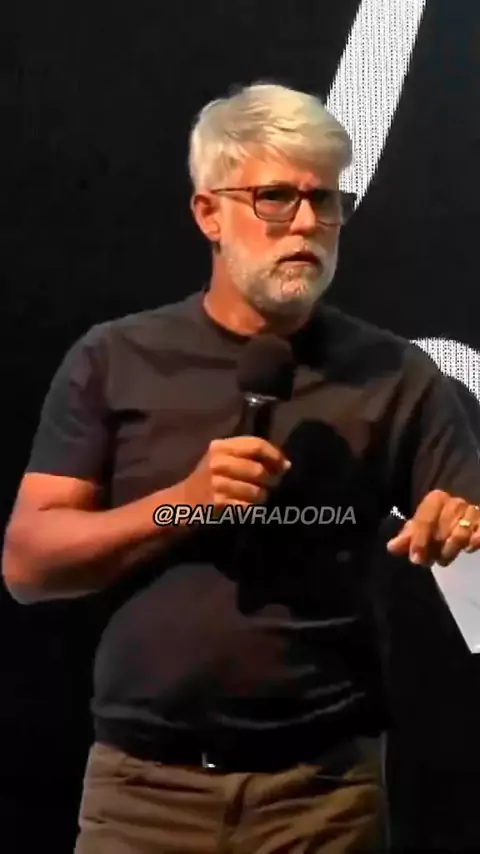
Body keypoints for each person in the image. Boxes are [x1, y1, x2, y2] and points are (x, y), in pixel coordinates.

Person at [3, 81, 480, 854]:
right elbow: (29, 565)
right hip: (143, 796)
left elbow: (467, 519)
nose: (308, 223)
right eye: (276, 198)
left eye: (326, 201)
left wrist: (463, 527)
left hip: (323, 800)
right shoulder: (116, 358)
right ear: (209, 214)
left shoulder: (394, 374)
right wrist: (183, 503)